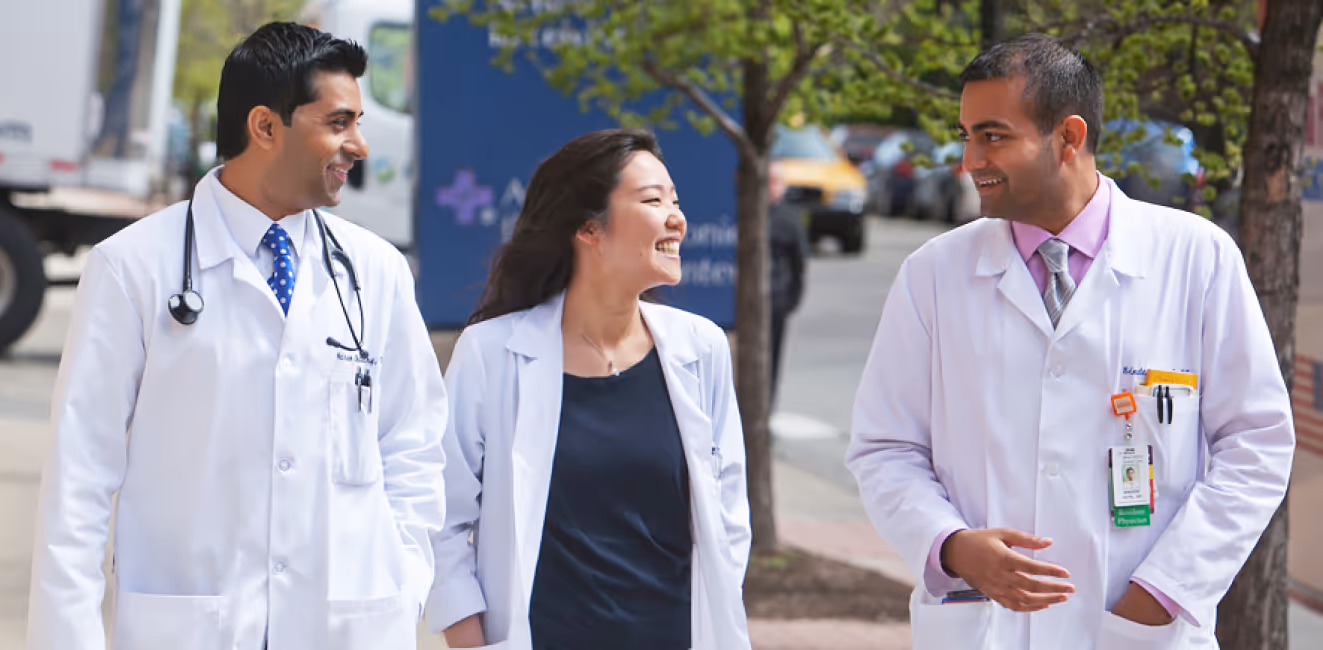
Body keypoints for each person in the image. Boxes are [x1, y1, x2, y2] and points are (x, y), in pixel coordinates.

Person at [846, 33, 1292, 649]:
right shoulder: (934, 275)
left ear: (1069, 137)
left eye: (993, 135)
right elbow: (883, 447)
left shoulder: (1196, 258)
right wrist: (949, 546)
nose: (971, 160)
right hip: (984, 626)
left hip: (1138, 627)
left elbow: (1256, 443)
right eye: (966, 135)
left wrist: (1164, 591)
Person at [26, 22, 448, 650]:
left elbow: (413, 448)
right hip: (192, 626)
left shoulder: (375, 271)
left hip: (348, 626)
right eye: (338, 122)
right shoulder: (133, 267)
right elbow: (80, 476)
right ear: (265, 126)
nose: (358, 145)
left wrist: (405, 579)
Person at [424, 129, 752, 649]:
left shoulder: (701, 349)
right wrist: (472, 642)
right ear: (588, 228)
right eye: (652, 200)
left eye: (675, 200)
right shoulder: (492, 353)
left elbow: (729, 521)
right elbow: (438, 519)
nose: (677, 218)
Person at [767, 163, 808, 408]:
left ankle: (766, 411)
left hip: (776, 301)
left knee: (771, 359)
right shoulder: (743, 212)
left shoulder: (789, 219)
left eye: (775, 181)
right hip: (742, 306)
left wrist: (790, 301)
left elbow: (799, 265)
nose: (771, 186)